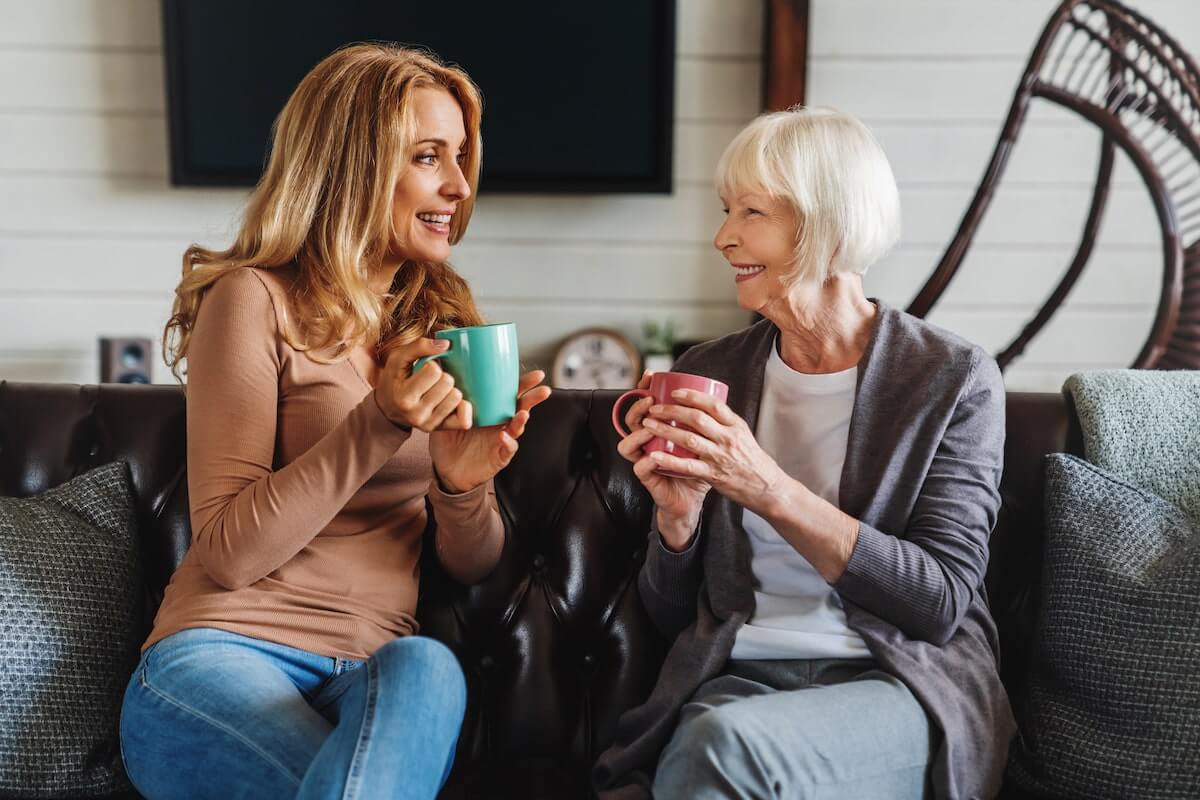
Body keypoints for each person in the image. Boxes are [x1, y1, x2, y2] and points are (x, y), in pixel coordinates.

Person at [119, 43, 550, 800]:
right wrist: (378, 421)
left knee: (429, 666)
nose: (457, 185)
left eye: (459, 157)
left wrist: (460, 487)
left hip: (377, 677)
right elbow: (228, 552)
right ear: (352, 164)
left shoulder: (441, 327)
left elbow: (476, 565)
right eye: (427, 157)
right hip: (224, 657)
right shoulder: (253, 300)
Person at [594, 107, 1016, 799]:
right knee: (698, 754)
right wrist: (676, 526)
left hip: (895, 687)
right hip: (738, 685)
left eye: (750, 212)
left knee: (717, 753)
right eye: (726, 210)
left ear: (826, 223)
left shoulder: (951, 378)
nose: (723, 237)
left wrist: (765, 486)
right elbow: (675, 618)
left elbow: (937, 601)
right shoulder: (715, 368)